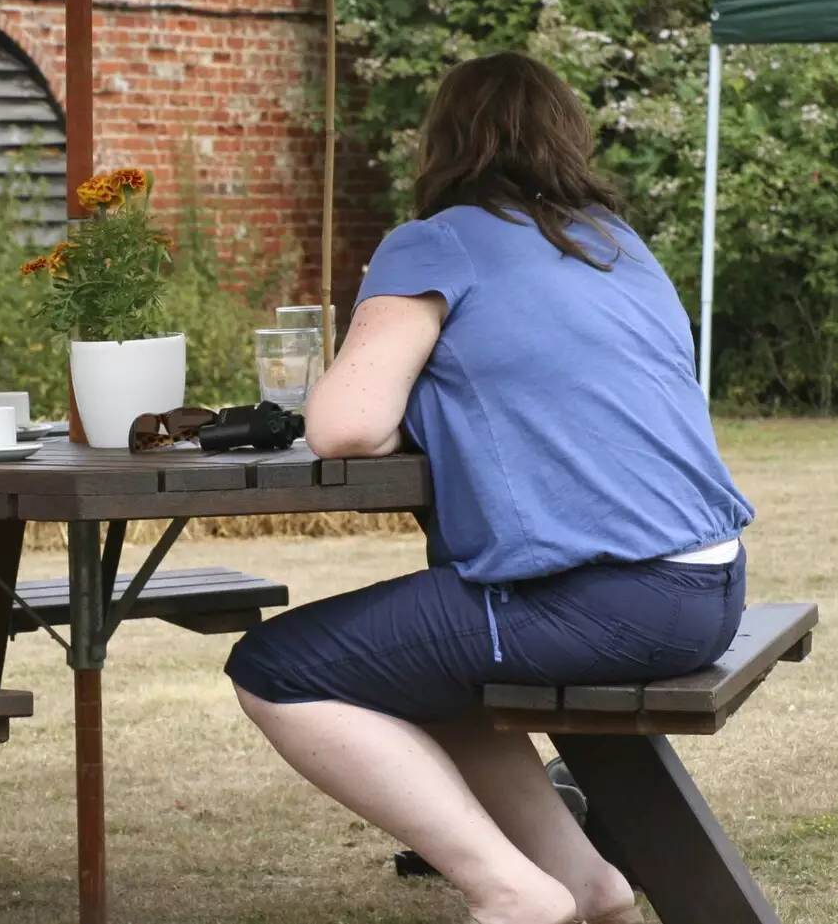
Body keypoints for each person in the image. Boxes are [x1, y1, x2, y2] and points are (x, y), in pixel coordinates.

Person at [224, 52, 754, 924]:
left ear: (442, 144)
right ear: (567, 139)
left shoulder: (435, 242)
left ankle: (508, 889)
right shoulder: (614, 245)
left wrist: (401, 404)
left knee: (275, 668)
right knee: (421, 663)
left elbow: (343, 426)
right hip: (712, 584)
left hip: (610, 595)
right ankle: (589, 884)